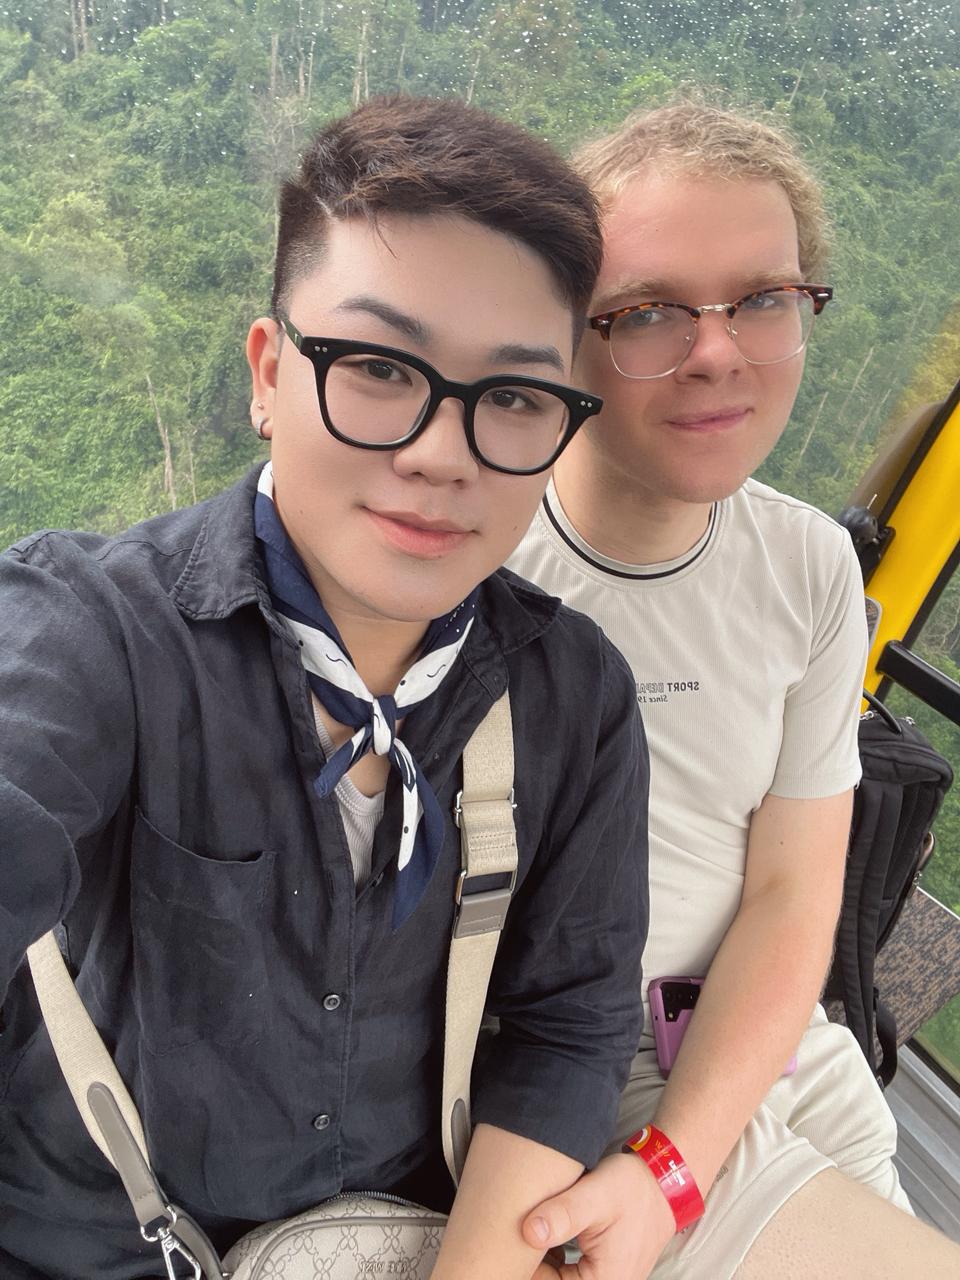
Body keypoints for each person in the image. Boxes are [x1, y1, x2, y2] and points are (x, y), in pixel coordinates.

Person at [0, 96, 650, 1280]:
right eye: (377, 365)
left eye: (511, 396)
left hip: (393, 1239)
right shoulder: (93, 634)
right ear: (267, 373)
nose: (439, 452)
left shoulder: (573, 698)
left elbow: (568, 1022)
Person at [508, 101, 960, 1278]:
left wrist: (684, 1156)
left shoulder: (807, 560)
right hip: (588, 1059)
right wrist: (668, 1163)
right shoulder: (479, 555)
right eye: (649, 311)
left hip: (780, 1035)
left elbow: (794, 899)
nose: (717, 352)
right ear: (564, 335)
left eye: (762, 297)